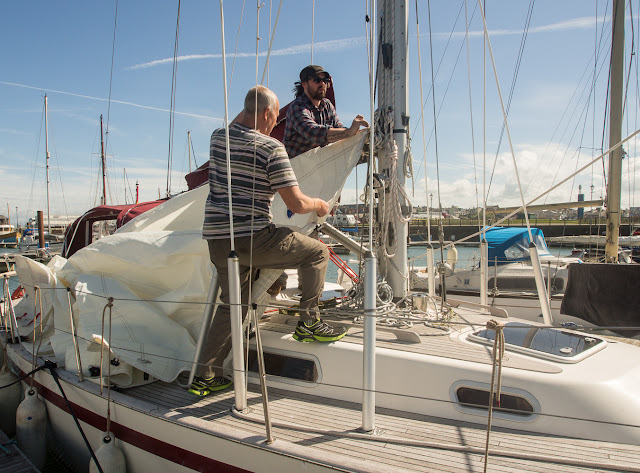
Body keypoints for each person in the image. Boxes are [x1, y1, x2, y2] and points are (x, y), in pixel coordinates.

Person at [190, 85, 347, 397]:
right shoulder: (271, 149)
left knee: (234, 304)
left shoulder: (219, 137)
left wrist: (257, 102)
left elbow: (246, 114)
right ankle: (309, 323)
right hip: (254, 238)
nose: (275, 124)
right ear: (266, 114)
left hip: (219, 240)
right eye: (275, 117)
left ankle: (204, 377)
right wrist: (320, 204)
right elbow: (298, 203)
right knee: (316, 253)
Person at [283, 65, 369, 158]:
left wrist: (359, 133)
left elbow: (338, 128)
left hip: (316, 164)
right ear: (304, 84)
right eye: (317, 80)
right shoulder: (297, 107)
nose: (322, 83)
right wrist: (349, 132)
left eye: (325, 80)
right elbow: (313, 132)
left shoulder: (327, 105)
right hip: (294, 166)